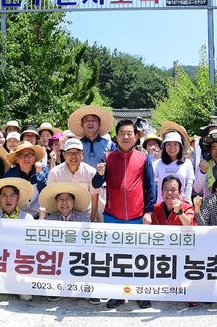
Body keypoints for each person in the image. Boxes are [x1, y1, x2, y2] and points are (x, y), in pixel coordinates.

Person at [91, 119, 155, 310]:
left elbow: (150, 187)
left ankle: (141, 293)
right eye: (122, 134)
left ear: (136, 136)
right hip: (113, 215)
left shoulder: (144, 158)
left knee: (140, 257)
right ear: (116, 137)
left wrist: (149, 211)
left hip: (137, 216)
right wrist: (99, 174)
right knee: (116, 258)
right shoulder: (107, 158)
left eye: (129, 133)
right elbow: (95, 185)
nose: (126, 137)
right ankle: (118, 294)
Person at [0, 177, 34, 302]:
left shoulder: (27, 218)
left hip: (18, 261)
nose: (8, 199)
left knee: (26, 296)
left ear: (18, 198)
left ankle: (20, 285)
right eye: (4, 195)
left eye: (12, 195)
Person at [46, 138, 100, 221]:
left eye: (77, 152)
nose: (73, 156)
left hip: (85, 216)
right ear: (64, 155)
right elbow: (50, 197)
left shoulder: (91, 172)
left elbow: (95, 199)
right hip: (61, 216)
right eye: (69, 152)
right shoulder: (54, 173)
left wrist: (92, 221)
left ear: (83, 154)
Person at [4, 141, 49, 217]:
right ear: (17, 159)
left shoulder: (44, 170)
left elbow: (45, 192)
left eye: (30, 155)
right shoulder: (10, 175)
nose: (26, 158)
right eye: (22, 155)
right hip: (17, 215)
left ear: (35, 157)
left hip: (40, 213)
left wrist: (39, 174)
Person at [153, 131, 194, 203]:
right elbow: (151, 183)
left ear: (180, 146)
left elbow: (189, 183)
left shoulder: (187, 163)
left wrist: (187, 201)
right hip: (162, 206)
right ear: (164, 146)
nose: (172, 148)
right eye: (168, 144)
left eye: (175, 144)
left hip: (181, 205)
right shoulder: (157, 164)